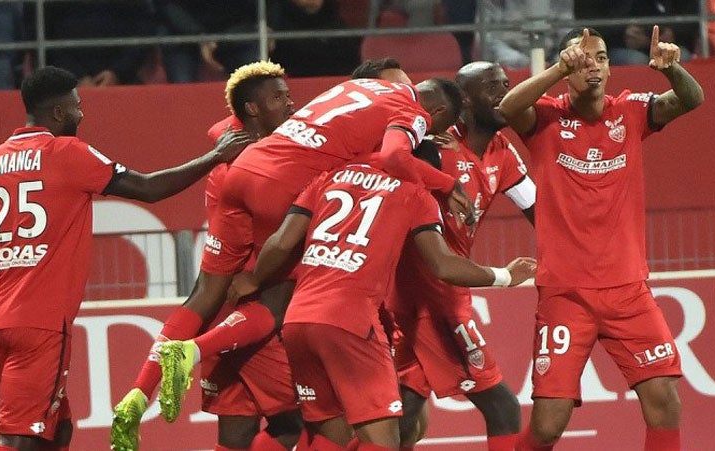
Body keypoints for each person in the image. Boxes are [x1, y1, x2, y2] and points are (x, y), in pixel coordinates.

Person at [0, 66, 252, 451]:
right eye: (76, 106)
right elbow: (149, 188)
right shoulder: (65, 152)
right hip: (42, 321)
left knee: (58, 429)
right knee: (18, 437)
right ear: (57, 113)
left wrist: (13, 251)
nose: (81, 113)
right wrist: (215, 156)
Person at [152, 76, 474, 425]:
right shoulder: (410, 151)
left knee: (211, 295)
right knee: (356, 422)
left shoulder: (362, 90)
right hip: (340, 305)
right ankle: (192, 350)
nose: (427, 135)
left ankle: (147, 384)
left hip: (247, 167)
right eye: (434, 128)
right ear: (437, 112)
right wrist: (446, 183)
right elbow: (396, 158)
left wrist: (255, 276)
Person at [176, 161, 537, 450]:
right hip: (352, 322)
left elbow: (281, 242)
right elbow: (443, 265)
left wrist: (254, 279)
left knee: (328, 435)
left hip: (298, 321)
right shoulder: (414, 194)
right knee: (384, 440)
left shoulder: (326, 178)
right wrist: (504, 275)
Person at [497, 27, 703, 450]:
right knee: (548, 425)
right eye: (585, 59)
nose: (595, 66)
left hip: (628, 290)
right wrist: (558, 69)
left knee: (664, 398)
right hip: (566, 294)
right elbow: (505, 108)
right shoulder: (544, 119)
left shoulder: (630, 111)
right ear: (569, 65)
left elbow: (691, 99)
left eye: (603, 58)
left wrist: (673, 69)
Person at [111, 61, 303, 451]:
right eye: (279, 97)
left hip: (222, 318)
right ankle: (190, 352)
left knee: (234, 436)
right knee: (304, 422)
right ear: (253, 109)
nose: (291, 103)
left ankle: (141, 389)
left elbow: (204, 294)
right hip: (249, 320)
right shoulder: (252, 168)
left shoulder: (233, 143)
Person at [388, 61, 536, 451]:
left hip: (436, 294)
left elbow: (541, 212)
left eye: (507, 84)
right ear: (465, 99)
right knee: (501, 406)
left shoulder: (503, 152)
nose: (505, 95)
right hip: (433, 296)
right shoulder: (432, 145)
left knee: (403, 425)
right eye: (492, 88)